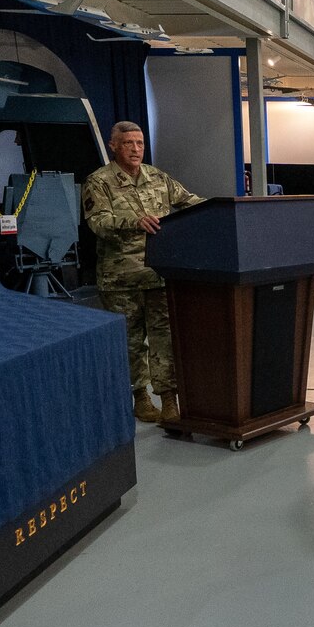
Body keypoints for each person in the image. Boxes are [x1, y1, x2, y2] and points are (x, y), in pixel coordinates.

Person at [83, 120, 200, 422]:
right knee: (131, 342)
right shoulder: (99, 181)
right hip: (121, 280)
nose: (135, 149)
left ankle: (170, 399)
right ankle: (140, 399)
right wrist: (132, 222)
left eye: (140, 143)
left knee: (165, 338)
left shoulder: (157, 177)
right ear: (113, 146)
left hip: (158, 273)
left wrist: (227, 209)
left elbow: (190, 203)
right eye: (128, 143)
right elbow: (97, 222)